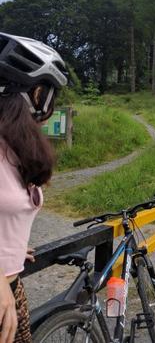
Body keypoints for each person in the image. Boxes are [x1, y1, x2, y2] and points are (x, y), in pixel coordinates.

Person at [0, 32, 68, 343]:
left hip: (12, 288)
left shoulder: (14, 149)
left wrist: (10, 248)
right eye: (51, 94)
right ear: (36, 94)